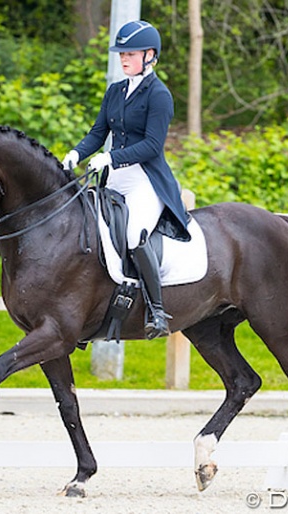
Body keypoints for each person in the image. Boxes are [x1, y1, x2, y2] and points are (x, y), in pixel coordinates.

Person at [62, 20, 190, 340]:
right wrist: (76, 154)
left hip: (146, 178)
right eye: (121, 53)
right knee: (89, 228)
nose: (123, 59)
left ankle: (156, 311)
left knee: (134, 235)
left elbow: (152, 145)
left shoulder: (159, 95)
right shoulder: (115, 91)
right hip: (115, 177)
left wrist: (112, 157)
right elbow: (97, 133)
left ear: (150, 55)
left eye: (129, 53)